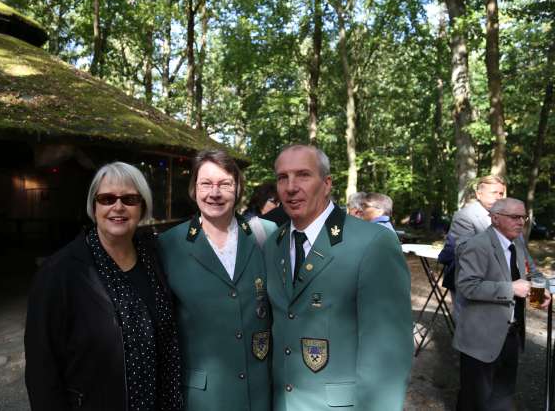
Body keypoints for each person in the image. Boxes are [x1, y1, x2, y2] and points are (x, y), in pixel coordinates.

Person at [264, 144, 413, 410]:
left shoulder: (372, 243)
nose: (290, 187)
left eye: (303, 175)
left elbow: (387, 355)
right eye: (282, 177)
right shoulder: (274, 243)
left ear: (327, 183)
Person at [24, 162, 182, 411]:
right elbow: (41, 368)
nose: (118, 207)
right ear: (94, 206)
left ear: (142, 207)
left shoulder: (156, 259)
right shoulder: (60, 273)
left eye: (129, 199)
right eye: (107, 198)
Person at [158, 149, 274, 411]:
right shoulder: (169, 245)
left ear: (238, 188)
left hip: (259, 396)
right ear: (194, 189)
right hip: (203, 399)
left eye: (224, 184)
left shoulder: (265, 235)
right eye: (206, 184)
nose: (215, 193)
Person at [453, 198, 549, 411]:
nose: (521, 222)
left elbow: (532, 273)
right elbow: (468, 287)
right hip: (481, 337)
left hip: (512, 333)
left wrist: (540, 292)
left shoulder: (517, 243)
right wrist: (510, 289)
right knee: (474, 400)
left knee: (502, 398)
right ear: (495, 218)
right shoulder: (477, 246)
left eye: (523, 217)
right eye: (515, 217)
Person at [442, 175, 535, 322]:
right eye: (494, 192)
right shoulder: (465, 216)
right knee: (476, 334)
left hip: (508, 291)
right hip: (478, 288)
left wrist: (537, 288)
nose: (499, 197)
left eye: (501, 193)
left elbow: (522, 254)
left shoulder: (512, 217)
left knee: (509, 330)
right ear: (479, 194)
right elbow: (464, 252)